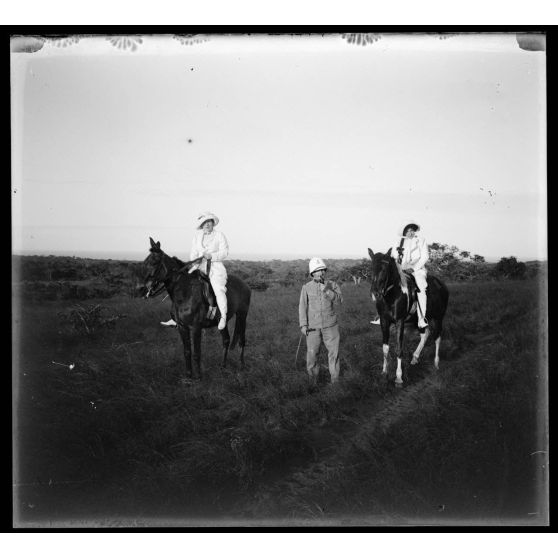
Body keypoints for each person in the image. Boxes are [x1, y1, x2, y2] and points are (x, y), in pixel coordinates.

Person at [161, 211, 229, 330]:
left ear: (213, 223)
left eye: (209, 222)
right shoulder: (197, 237)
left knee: (218, 289)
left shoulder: (220, 235)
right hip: (198, 266)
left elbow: (225, 252)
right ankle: (176, 317)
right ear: (201, 225)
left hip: (215, 267)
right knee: (181, 284)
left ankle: (222, 316)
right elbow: (193, 253)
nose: (207, 224)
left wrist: (212, 256)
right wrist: (195, 260)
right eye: (204, 223)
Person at [298, 257, 343, 384]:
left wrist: (327, 290)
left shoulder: (332, 285)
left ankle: (335, 382)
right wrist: (303, 325)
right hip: (313, 327)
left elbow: (339, 301)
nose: (321, 273)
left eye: (322, 270)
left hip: (331, 326)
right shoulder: (306, 288)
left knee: (334, 354)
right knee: (312, 355)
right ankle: (313, 382)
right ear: (312, 273)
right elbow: (302, 306)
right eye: (317, 271)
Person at [391, 221, 429, 328]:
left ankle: (422, 318)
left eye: (412, 230)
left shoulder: (421, 240)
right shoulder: (399, 241)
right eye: (408, 231)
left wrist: (413, 268)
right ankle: (382, 315)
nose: (410, 233)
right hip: (400, 269)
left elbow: (425, 256)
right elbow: (393, 255)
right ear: (404, 232)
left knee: (421, 287)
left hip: (417, 269)